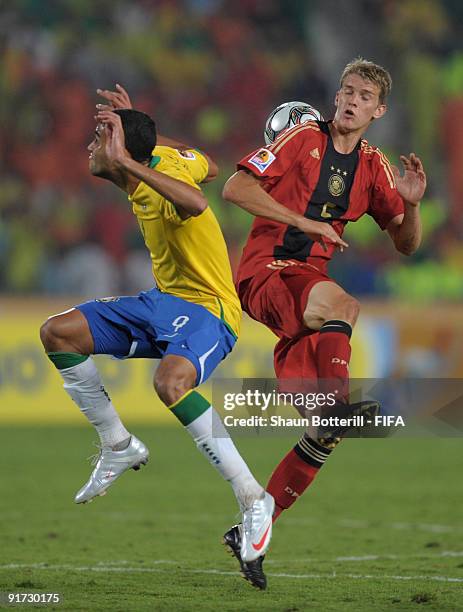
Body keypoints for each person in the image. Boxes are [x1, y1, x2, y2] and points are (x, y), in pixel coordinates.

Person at [39, 85, 274, 566]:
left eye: (100, 138)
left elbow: (198, 201)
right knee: (57, 333)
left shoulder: (154, 184)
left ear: (123, 154)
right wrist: (136, 129)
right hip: (164, 301)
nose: (90, 147)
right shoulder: (165, 160)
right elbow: (207, 164)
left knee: (170, 382)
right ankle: (118, 444)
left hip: (211, 309)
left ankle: (254, 498)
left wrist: (128, 157)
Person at [221, 58, 427, 587]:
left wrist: (411, 205)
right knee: (347, 307)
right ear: (336, 96)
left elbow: (406, 244)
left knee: (322, 434)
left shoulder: (375, 167)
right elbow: (235, 190)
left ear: (378, 111)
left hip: (305, 300)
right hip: (267, 274)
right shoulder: (300, 138)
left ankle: (254, 527)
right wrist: (303, 221)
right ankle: (339, 406)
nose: (351, 100)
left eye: (363, 96)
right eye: (346, 91)